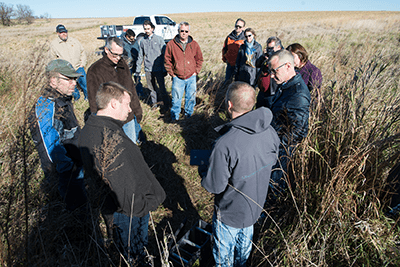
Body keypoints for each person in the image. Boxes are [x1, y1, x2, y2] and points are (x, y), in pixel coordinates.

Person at [79, 81, 165, 264]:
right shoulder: (109, 137)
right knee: (133, 254)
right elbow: (123, 186)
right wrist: (143, 206)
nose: (129, 109)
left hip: (118, 207)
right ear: (113, 104)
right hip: (128, 213)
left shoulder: (92, 128)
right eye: (127, 104)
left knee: (128, 251)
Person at [201, 82, 279, 267]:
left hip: (229, 213)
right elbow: (273, 160)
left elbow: (214, 186)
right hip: (254, 209)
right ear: (253, 103)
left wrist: (205, 170)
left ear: (229, 104)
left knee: (223, 258)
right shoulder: (270, 130)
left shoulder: (224, 144)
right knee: (243, 255)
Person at [29, 59, 87, 211]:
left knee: (83, 207)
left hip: (76, 165)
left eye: (75, 79)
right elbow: (48, 144)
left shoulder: (63, 99)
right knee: (74, 211)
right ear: (53, 81)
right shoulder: (45, 106)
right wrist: (68, 168)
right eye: (68, 79)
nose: (74, 83)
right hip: (65, 173)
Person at [268, 49, 311, 197]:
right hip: (274, 147)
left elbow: (299, 132)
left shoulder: (298, 94)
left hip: (281, 154)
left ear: (287, 66)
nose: (272, 76)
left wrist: (275, 145)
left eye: (274, 71)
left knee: (274, 188)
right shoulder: (286, 84)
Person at [87, 37, 143, 144]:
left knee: (131, 147)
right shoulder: (95, 70)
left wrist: (137, 110)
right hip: (111, 121)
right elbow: (94, 101)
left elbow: (131, 89)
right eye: (114, 54)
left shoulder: (123, 65)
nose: (118, 58)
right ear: (106, 50)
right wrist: (100, 123)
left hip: (128, 118)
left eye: (120, 55)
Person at [164, 21, 203, 122]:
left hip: (191, 76)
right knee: (176, 99)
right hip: (178, 77)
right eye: (182, 31)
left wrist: (196, 71)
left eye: (186, 31)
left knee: (191, 98)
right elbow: (167, 60)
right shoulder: (171, 44)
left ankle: (188, 117)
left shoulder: (194, 44)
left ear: (189, 32)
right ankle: (175, 119)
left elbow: (199, 59)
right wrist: (172, 74)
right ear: (178, 31)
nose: (184, 33)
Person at [136, 20, 170, 110]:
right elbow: (140, 56)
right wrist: (138, 69)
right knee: (151, 89)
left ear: (152, 29)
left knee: (162, 88)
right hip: (148, 69)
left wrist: (164, 68)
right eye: (145, 29)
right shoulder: (143, 41)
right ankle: (154, 105)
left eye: (148, 28)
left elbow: (165, 54)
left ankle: (166, 105)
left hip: (158, 68)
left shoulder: (159, 39)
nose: (146, 30)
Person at [50, 24, 88, 101]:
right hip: (66, 70)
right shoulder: (54, 44)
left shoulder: (74, 41)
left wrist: (82, 64)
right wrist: (59, 69)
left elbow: (82, 52)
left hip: (78, 67)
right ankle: (76, 99)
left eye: (65, 32)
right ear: (57, 33)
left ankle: (88, 98)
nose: (64, 34)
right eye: (61, 32)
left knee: (85, 84)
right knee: (71, 86)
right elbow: (53, 59)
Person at [255, 36, 283, 109]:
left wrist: (270, 61)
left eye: (272, 48)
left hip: (273, 91)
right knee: (259, 109)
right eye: (268, 48)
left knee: (271, 111)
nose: (270, 50)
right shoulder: (266, 56)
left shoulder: (283, 57)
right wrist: (263, 57)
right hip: (263, 89)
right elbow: (257, 64)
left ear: (278, 47)